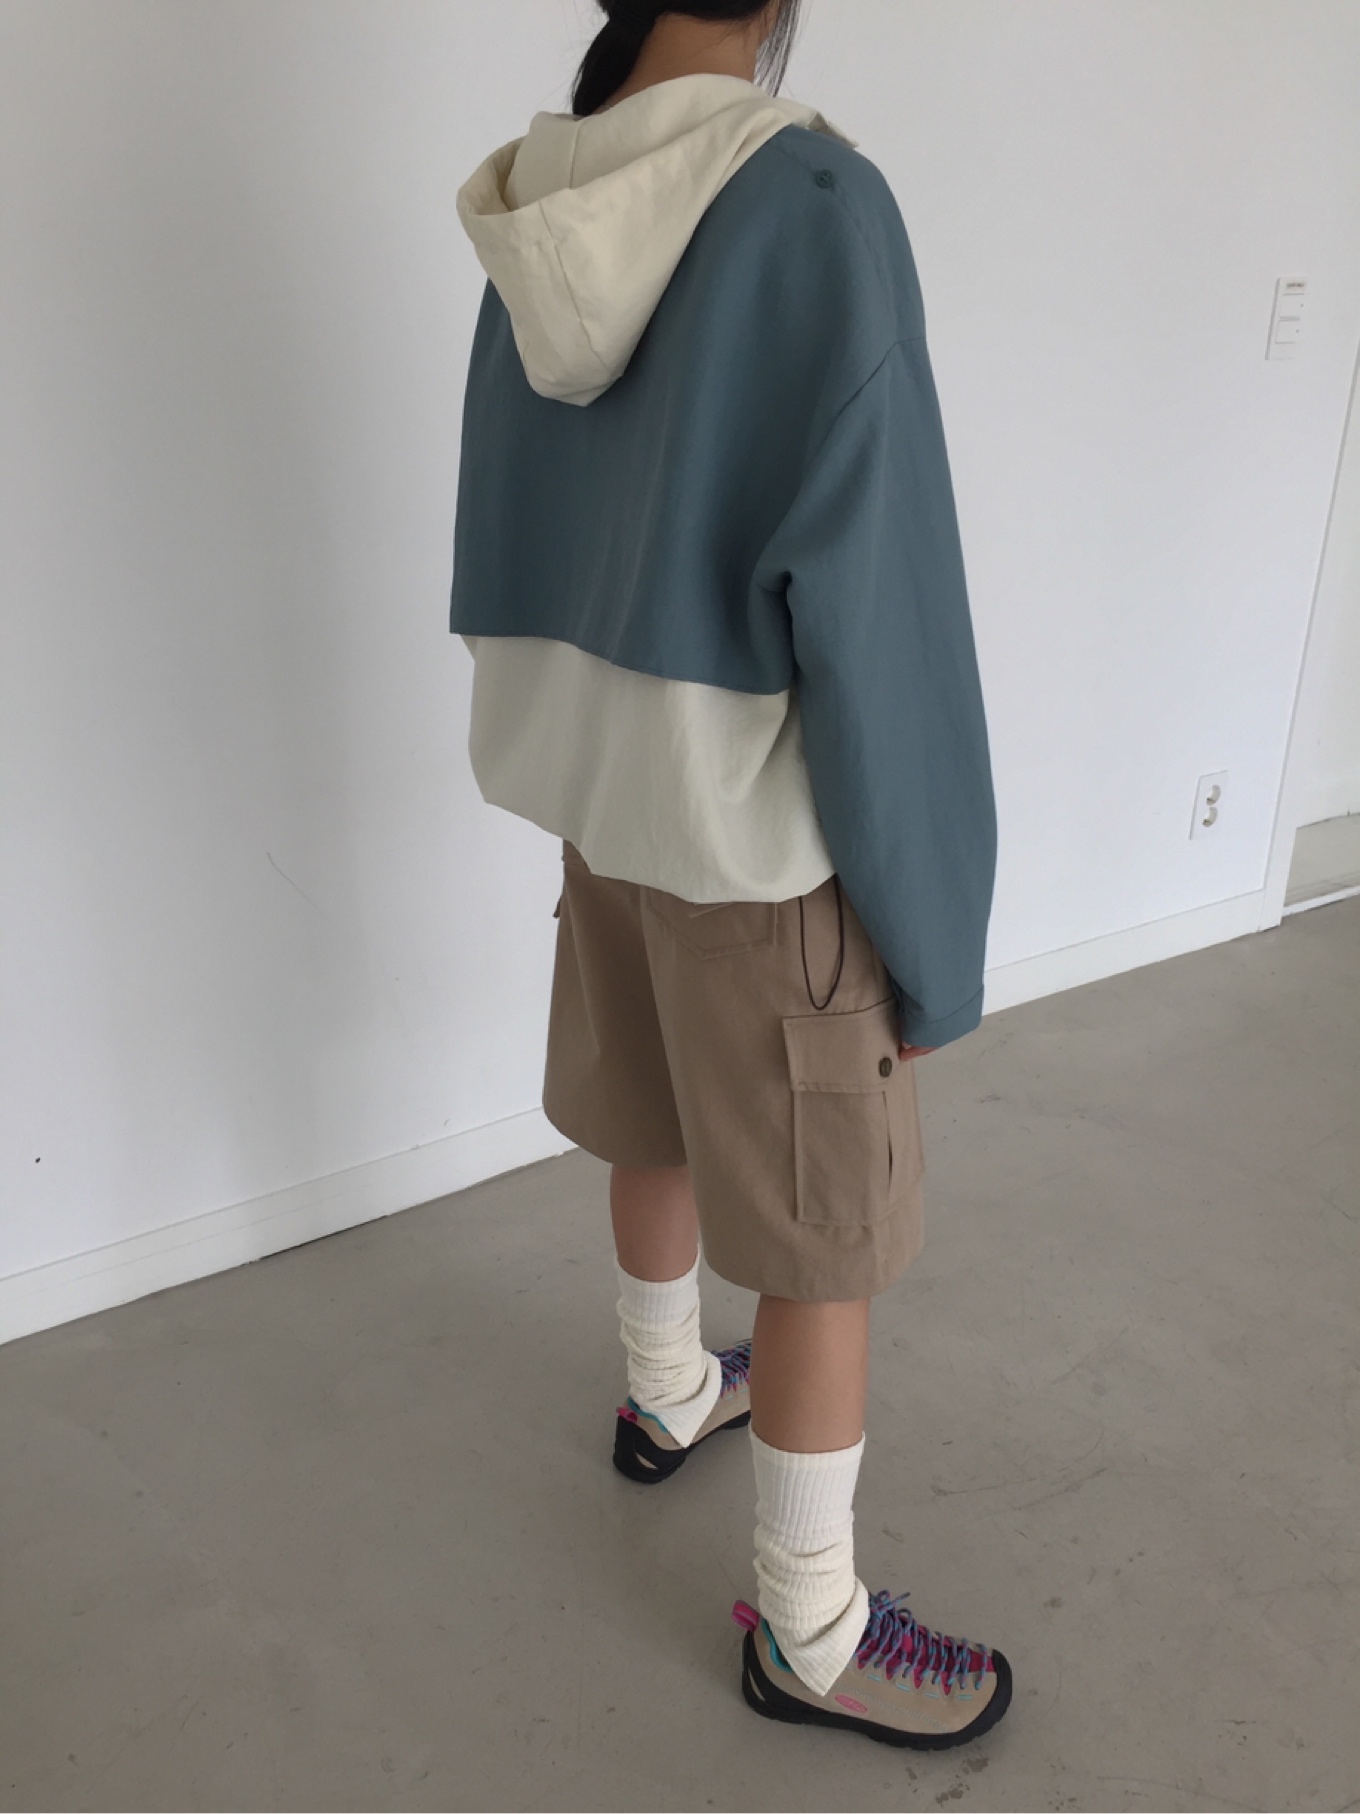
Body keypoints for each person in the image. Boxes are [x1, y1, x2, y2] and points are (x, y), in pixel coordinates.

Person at [450, 0, 1010, 1750]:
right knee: (823, 1237)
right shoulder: (812, 207)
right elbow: (882, 604)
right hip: (755, 832)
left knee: (654, 1110)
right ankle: (811, 1628)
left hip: (602, 793)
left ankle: (664, 1390)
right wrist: (934, 930)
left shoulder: (544, 201)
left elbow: (510, 517)